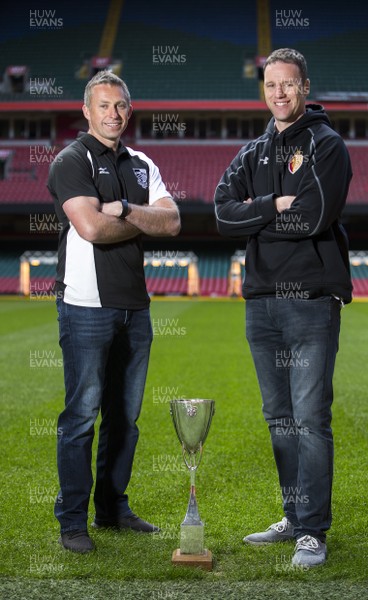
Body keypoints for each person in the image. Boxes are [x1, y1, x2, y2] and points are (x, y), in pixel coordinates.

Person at [214, 48, 352, 568]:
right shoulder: (253, 152)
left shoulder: (327, 145)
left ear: (305, 87)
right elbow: (222, 215)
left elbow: (314, 218)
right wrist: (272, 206)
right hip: (261, 304)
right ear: (263, 89)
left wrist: (255, 216)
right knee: (279, 419)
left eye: (288, 85)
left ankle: (313, 532)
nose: (279, 93)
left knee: (310, 419)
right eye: (271, 85)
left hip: (311, 303)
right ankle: (294, 517)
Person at [48, 70, 181, 553]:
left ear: (130, 109)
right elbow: (90, 229)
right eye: (103, 105)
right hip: (85, 306)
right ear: (86, 111)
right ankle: (72, 521)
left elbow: (172, 222)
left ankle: (111, 508)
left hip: (135, 307)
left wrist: (123, 207)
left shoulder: (143, 163)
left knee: (124, 417)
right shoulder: (71, 159)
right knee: (81, 416)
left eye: (121, 105)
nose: (113, 114)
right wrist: (138, 219)